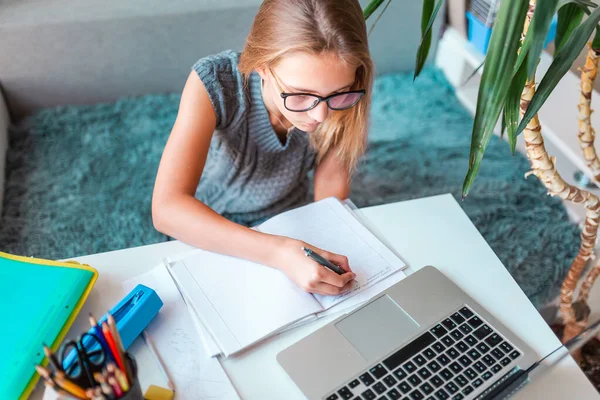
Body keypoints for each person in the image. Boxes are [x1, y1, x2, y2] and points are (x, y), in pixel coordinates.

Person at [152, 0, 373, 296]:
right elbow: (167, 209)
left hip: (290, 222)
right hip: (210, 221)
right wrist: (279, 252)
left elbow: (331, 184)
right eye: (300, 95)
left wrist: (322, 240)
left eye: (338, 93)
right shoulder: (215, 82)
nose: (320, 116)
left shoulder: (348, 90)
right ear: (262, 66)